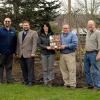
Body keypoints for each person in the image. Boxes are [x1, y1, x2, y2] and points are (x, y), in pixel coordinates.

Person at [16, 21, 38, 86]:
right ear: (22, 26)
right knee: (23, 68)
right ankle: (26, 81)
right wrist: (17, 52)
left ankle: (31, 82)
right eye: (24, 25)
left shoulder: (34, 33)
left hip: (29, 54)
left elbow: (34, 44)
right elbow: (18, 44)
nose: (25, 26)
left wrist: (33, 52)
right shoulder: (20, 33)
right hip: (21, 54)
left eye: (27, 25)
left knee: (30, 69)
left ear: (29, 26)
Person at [84, 20, 100, 90]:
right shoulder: (87, 32)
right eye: (89, 24)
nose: (90, 26)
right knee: (86, 70)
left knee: (95, 70)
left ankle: (97, 86)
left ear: (94, 25)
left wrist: (99, 54)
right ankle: (90, 85)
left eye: (91, 24)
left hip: (94, 53)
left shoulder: (98, 33)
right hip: (86, 53)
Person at [0, 17, 17, 83]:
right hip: (1, 53)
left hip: (10, 53)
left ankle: (9, 80)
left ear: (10, 22)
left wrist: (14, 52)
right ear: (4, 22)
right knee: (1, 67)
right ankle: (0, 80)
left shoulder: (13, 31)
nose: (7, 22)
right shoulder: (0, 30)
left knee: (9, 67)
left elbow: (15, 42)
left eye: (8, 21)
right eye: (6, 21)